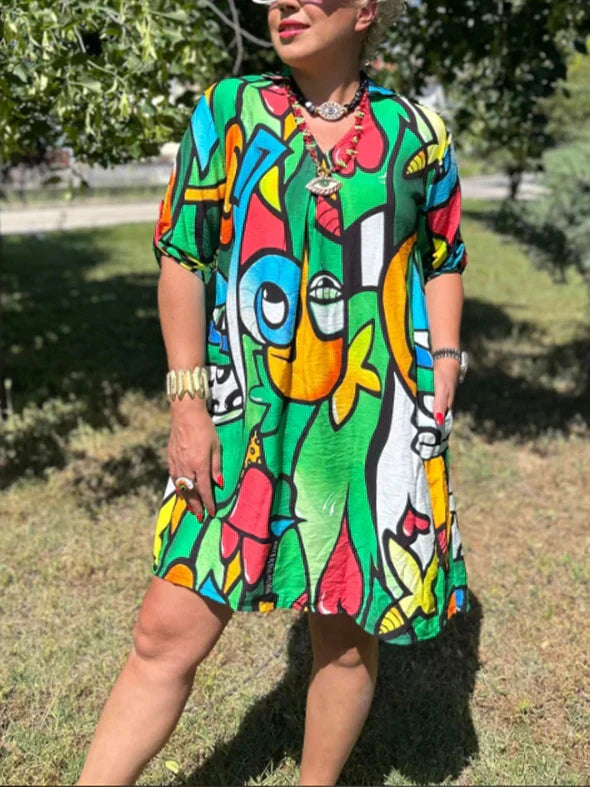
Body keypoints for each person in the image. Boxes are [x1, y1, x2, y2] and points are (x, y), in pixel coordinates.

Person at [78, 0, 470, 784]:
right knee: (164, 632)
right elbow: (182, 256)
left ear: (366, 10)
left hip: (367, 420)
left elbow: (444, 255)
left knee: (346, 636)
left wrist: (446, 363)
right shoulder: (229, 111)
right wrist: (187, 403)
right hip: (239, 414)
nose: (285, 4)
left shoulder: (418, 134)